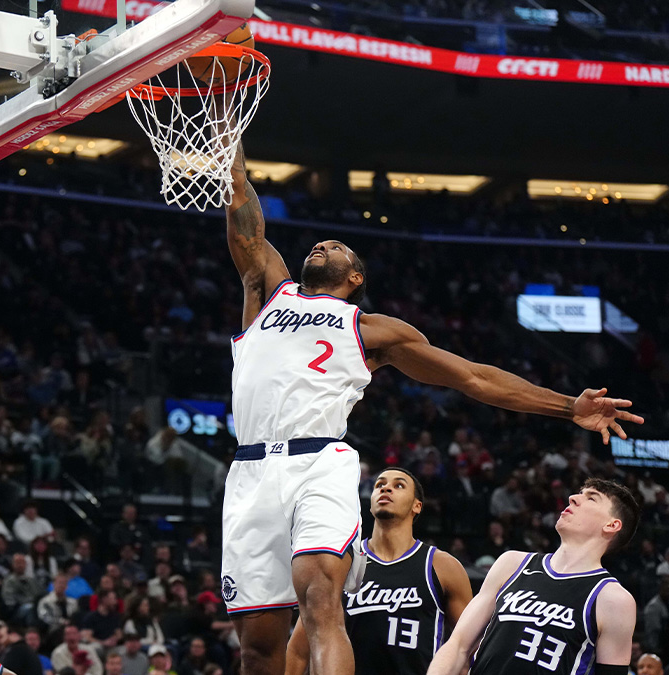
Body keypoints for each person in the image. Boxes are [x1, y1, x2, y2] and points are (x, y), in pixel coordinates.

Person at [219, 141, 644, 675]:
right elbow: (242, 212)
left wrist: (567, 408)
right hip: (249, 470)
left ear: (357, 280)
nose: (324, 243)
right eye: (322, 243)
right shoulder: (268, 292)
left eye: (340, 248)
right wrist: (226, 136)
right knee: (257, 647)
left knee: (322, 602)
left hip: (316, 462)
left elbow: (473, 377)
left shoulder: (373, 331)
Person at [426, 479, 640, 675]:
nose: (573, 498)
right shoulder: (511, 564)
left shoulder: (613, 598)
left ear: (612, 525)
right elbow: (458, 646)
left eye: (591, 498)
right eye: (579, 493)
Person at [287, 467, 473, 675]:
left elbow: (468, 649)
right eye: (380, 485)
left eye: (398, 485)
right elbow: (299, 651)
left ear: (417, 506)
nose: (386, 489)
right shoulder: (342, 563)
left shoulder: (442, 565)